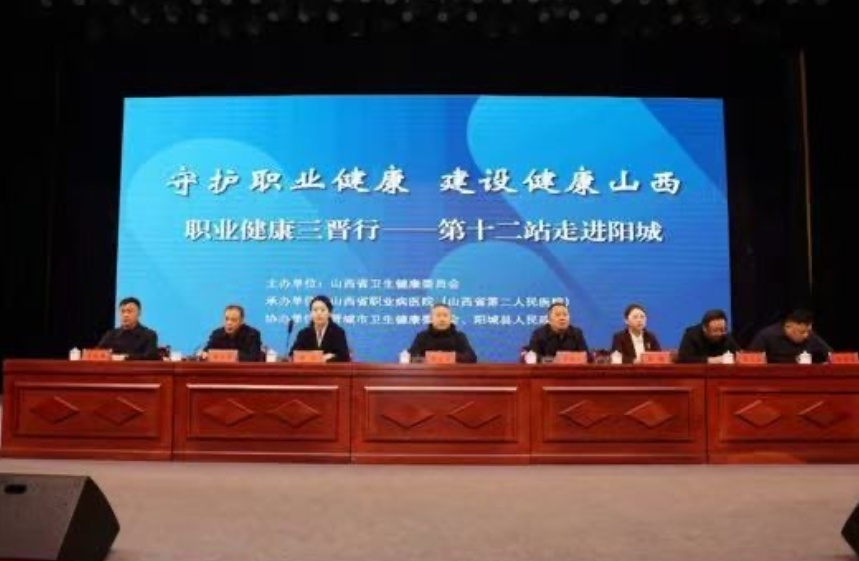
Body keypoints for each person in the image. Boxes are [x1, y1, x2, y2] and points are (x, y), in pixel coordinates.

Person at [748, 309, 833, 364]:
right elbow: (750, 360)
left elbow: (832, 355)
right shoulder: (766, 336)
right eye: (802, 332)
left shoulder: (811, 336)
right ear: (788, 327)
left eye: (808, 331)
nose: (806, 336)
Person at [407, 303, 477, 363]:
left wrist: (446, 357)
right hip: (428, 373)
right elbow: (412, 357)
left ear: (451, 318)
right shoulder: (422, 336)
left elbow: (471, 357)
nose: (442, 319)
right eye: (438, 315)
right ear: (431, 319)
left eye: (445, 315)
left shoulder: (459, 336)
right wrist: (432, 358)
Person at [289, 295, 351, 362]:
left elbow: (344, 357)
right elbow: (292, 355)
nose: (319, 313)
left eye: (322, 310)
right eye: (315, 310)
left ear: (329, 313)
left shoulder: (338, 332)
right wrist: (320, 358)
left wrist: (328, 360)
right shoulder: (304, 334)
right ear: (311, 313)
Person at [521, 302, 589, 362]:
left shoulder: (577, 333)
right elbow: (533, 358)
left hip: (572, 371)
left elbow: (586, 357)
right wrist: (552, 360)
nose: (562, 318)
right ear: (549, 319)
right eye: (557, 315)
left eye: (565, 315)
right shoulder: (539, 334)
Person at [676, 309, 741, 363]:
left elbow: (739, 354)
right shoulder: (691, 335)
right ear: (704, 328)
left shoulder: (726, 336)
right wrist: (711, 360)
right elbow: (683, 359)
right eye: (715, 330)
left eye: (722, 330)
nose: (719, 334)